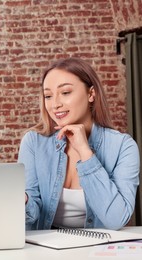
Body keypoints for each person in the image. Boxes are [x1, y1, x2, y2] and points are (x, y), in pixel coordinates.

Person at [18, 57, 140, 230]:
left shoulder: (123, 147)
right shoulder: (33, 142)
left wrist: (85, 152)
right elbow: (31, 216)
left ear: (91, 94)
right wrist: (21, 200)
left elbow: (116, 219)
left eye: (65, 92)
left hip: (96, 250)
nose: (55, 104)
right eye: (48, 96)